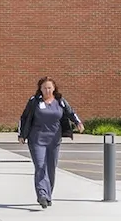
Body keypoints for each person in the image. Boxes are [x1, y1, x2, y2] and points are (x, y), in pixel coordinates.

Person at [18, 77, 84, 208]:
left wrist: (78, 123)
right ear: (40, 89)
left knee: (51, 168)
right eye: (44, 88)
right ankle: (42, 194)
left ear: (54, 88)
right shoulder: (34, 101)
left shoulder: (60, 101)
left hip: (54, 139)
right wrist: (21, 135)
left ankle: (48, 195)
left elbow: (71, 112)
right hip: (37, 139)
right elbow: (24, 117)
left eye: (49, 88)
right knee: (40, 166)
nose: (47, 90)